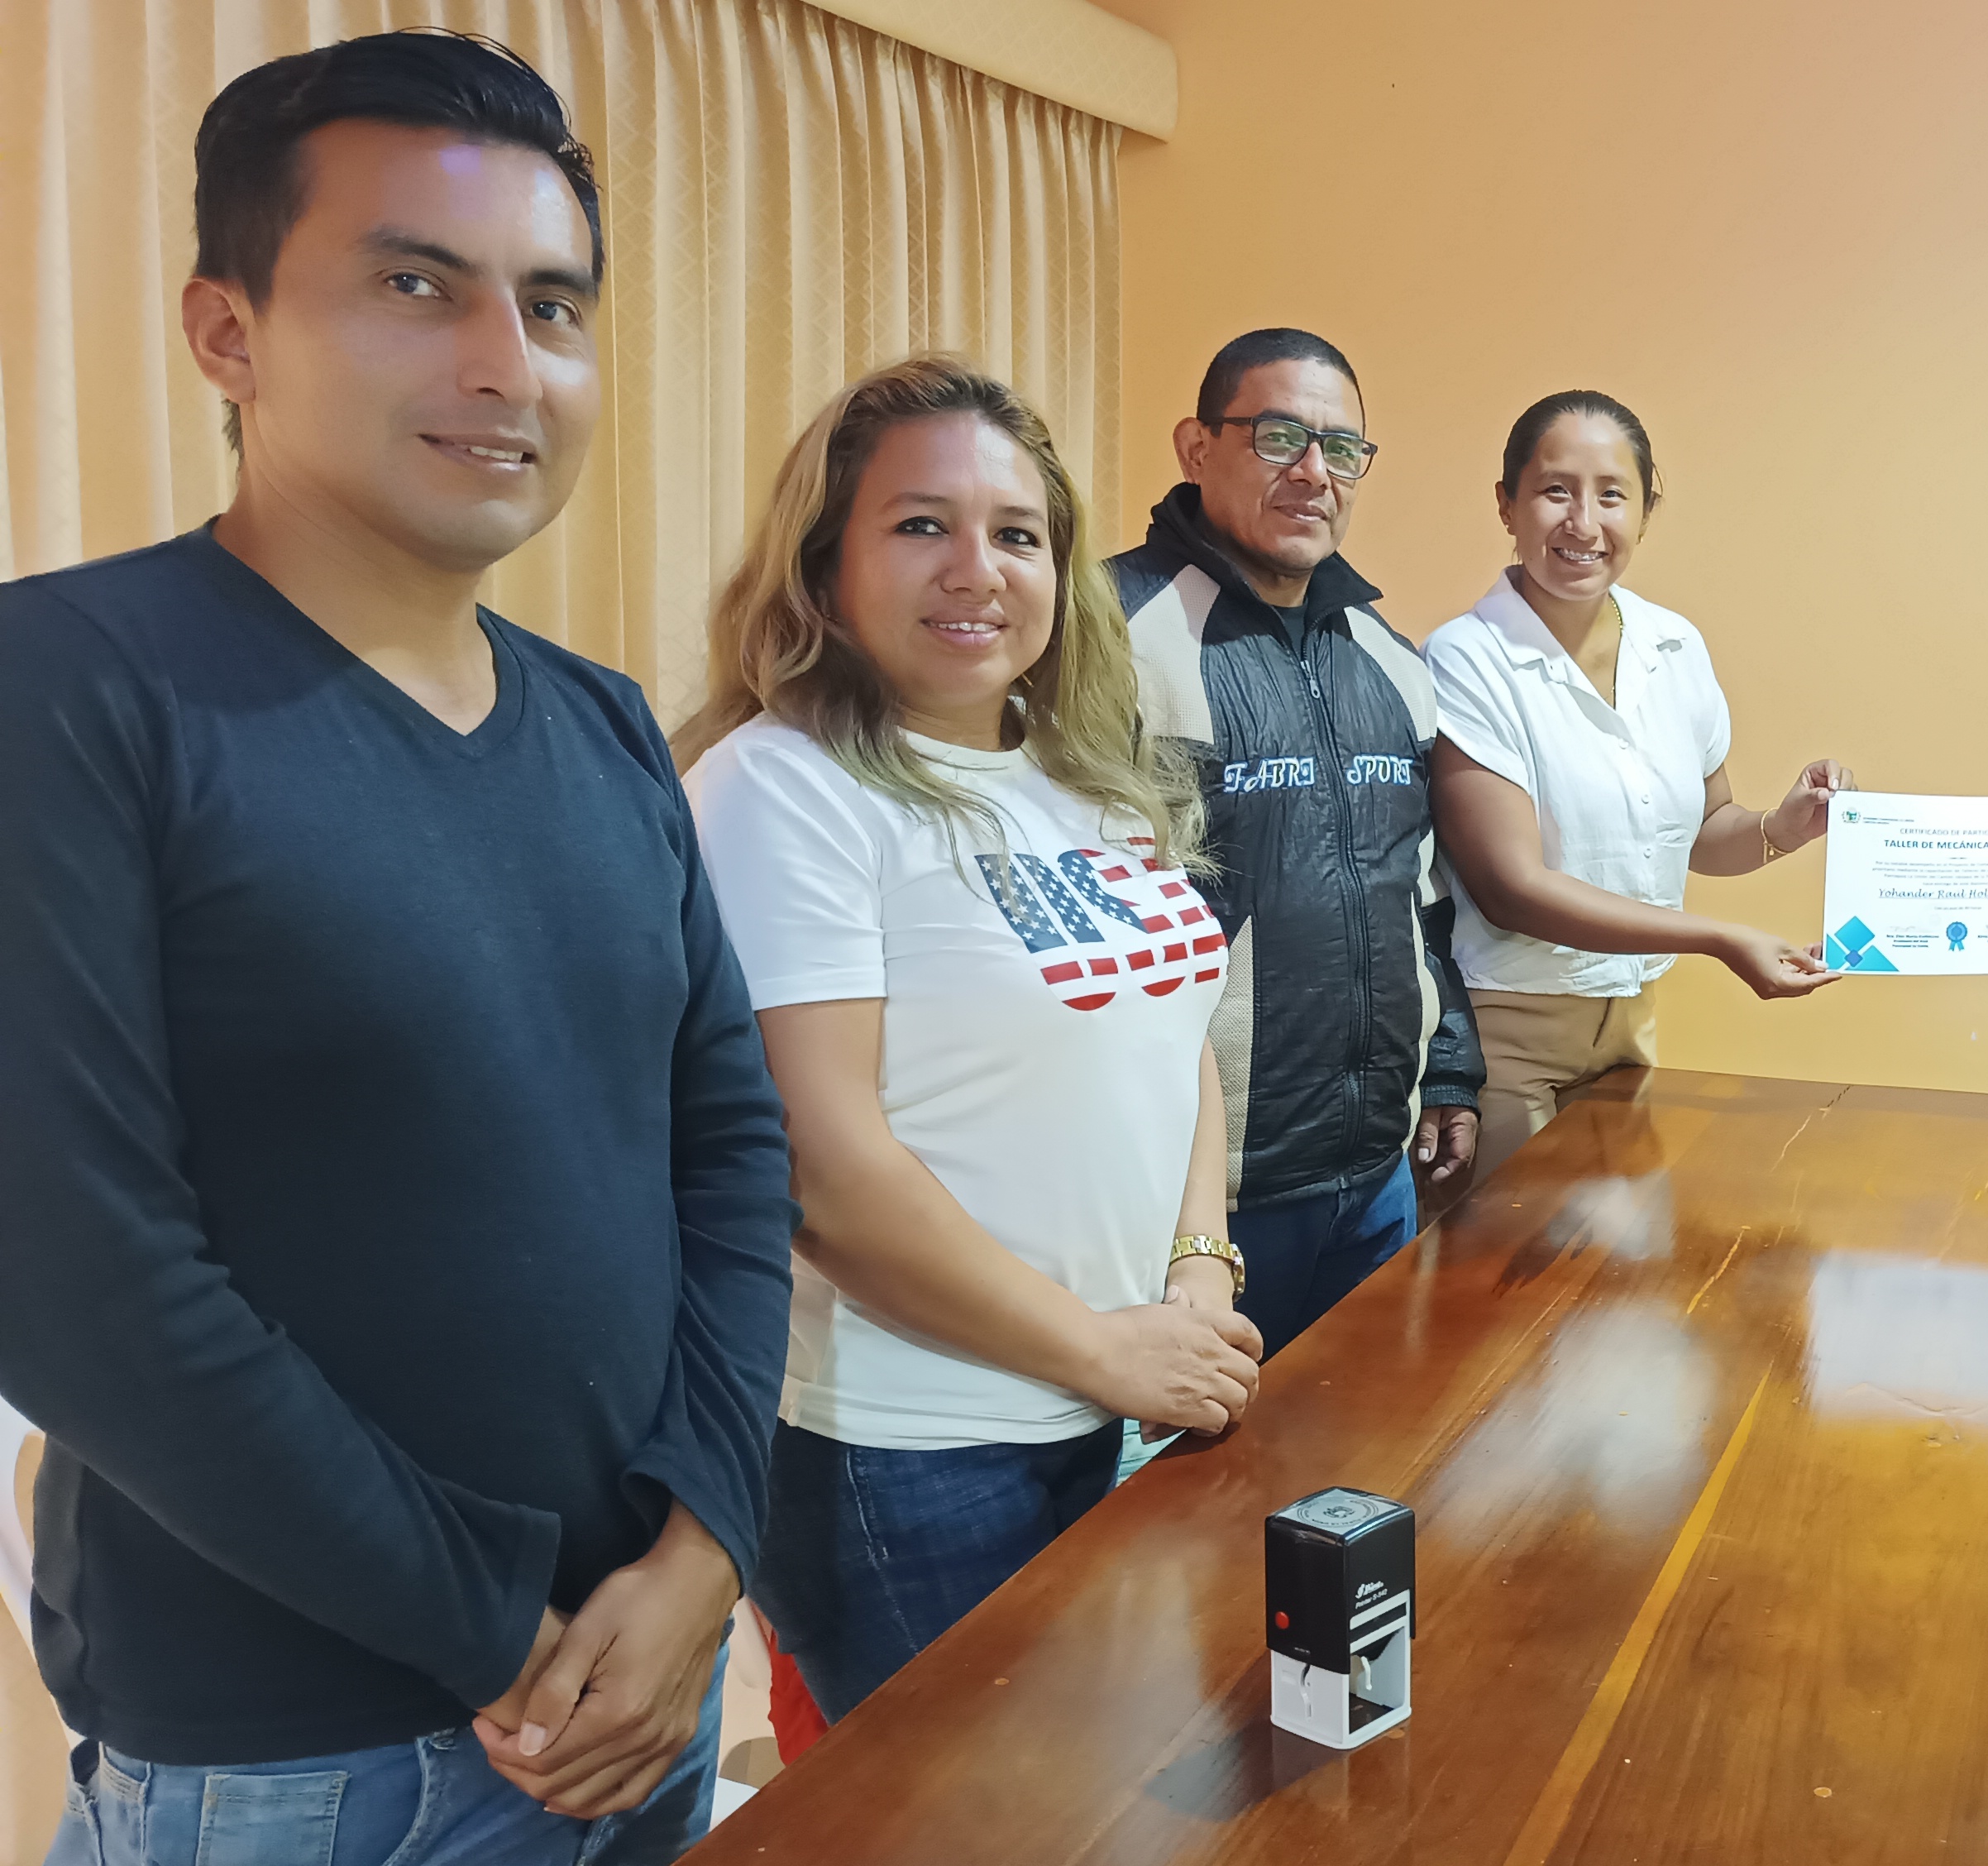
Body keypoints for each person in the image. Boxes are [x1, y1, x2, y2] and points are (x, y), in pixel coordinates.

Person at [0, 33, 798, 1865]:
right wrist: (506, 1638)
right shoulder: (71, 689)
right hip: (305, 1763)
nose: (507, 366)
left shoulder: (601, 722)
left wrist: (706, 1549)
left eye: (554, 305)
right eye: (416, 288)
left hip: (645, 1683)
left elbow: (729, 1145)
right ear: (227, 333)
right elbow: (78, 1284)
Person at [675, 356, 1263, 1720]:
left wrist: (1198, 1267)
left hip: (1118, 1399)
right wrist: (1103, 1352)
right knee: (978, 1812)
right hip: (916, 1450)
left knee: (1114, 1779)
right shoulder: (782, 787)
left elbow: (1170, 1034)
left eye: (1018, 534)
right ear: (825, 564)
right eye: (920, 525)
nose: (976, 570)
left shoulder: (1080, 774)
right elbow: (825, 1167)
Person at [1110, 329, 1484, 1355]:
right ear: (1196, 446)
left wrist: (1450, 1071)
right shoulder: (1103, 637)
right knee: (1197, 1461)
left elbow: (1421, 897)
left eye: (1342, 449)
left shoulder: (1390, 661)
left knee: (1360, 1441)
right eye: (1279, 436)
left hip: (1374, 1178)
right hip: (1193, 1204)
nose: (1315, 472)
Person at [1426, 391, 1852, 1180]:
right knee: (1511, 1258)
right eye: (1556, 490)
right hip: (1506, 1036)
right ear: (1507, 505)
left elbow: (1705, 830)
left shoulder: (1673, 644)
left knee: (1632, 1259)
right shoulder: (1464, 659)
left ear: (1647, 510)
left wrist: (1784, 827)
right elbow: (1512, 890)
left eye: (1612, 495)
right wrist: (1719, 938)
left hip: (1631, 1027)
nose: (1584, 523)